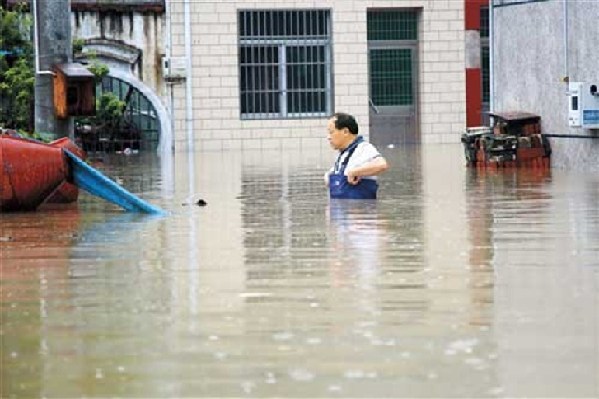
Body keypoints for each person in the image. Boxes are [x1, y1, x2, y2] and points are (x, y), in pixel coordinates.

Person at [325, 112, 389, 199]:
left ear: (345, 132)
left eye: (331, 132)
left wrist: (355, 172)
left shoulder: (363, 148)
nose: (328, 137)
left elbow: (381, 165)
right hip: (340, 209)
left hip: (360, 210)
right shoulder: (342, 155)